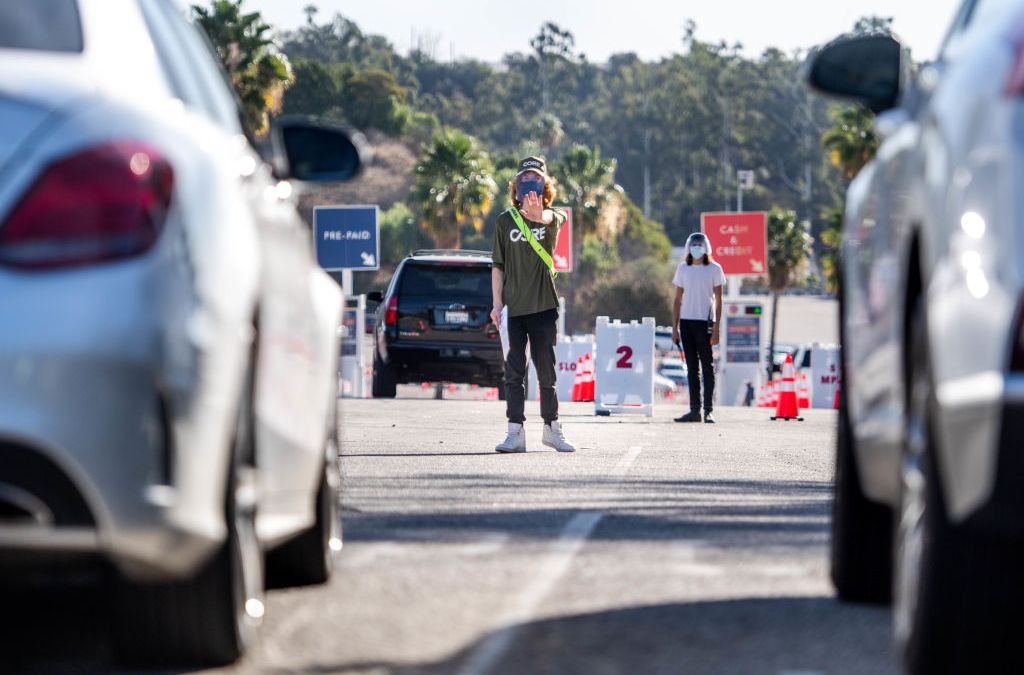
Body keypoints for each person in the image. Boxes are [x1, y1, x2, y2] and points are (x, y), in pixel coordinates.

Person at [490, 156, 576, 453]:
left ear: (545, 185)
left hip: (543, 308)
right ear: (516, 186)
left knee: (546, 372)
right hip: (514, 309)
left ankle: (552, 429)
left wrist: (539, 216)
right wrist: (496, 303)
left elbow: (551, 220)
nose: (529, 182)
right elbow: (497, 266)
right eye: (524, 178)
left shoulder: (555, 217)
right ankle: (515, 431)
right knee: (514, 372)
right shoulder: (504, 221)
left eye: (536, 177)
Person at [671, 232, 725, 423]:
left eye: (699, 244)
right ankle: (694, 410)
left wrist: (717, 328)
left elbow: (719, 300)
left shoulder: (714, 269)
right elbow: (677, 300)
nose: (696, 247)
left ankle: (708, 410)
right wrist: (674, 328)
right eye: (693, 244)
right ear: (688, 247)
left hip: (705, 322)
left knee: (707, 368)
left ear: (706, 247)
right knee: (692, 369)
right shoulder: (683, 269)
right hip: (686, 322)